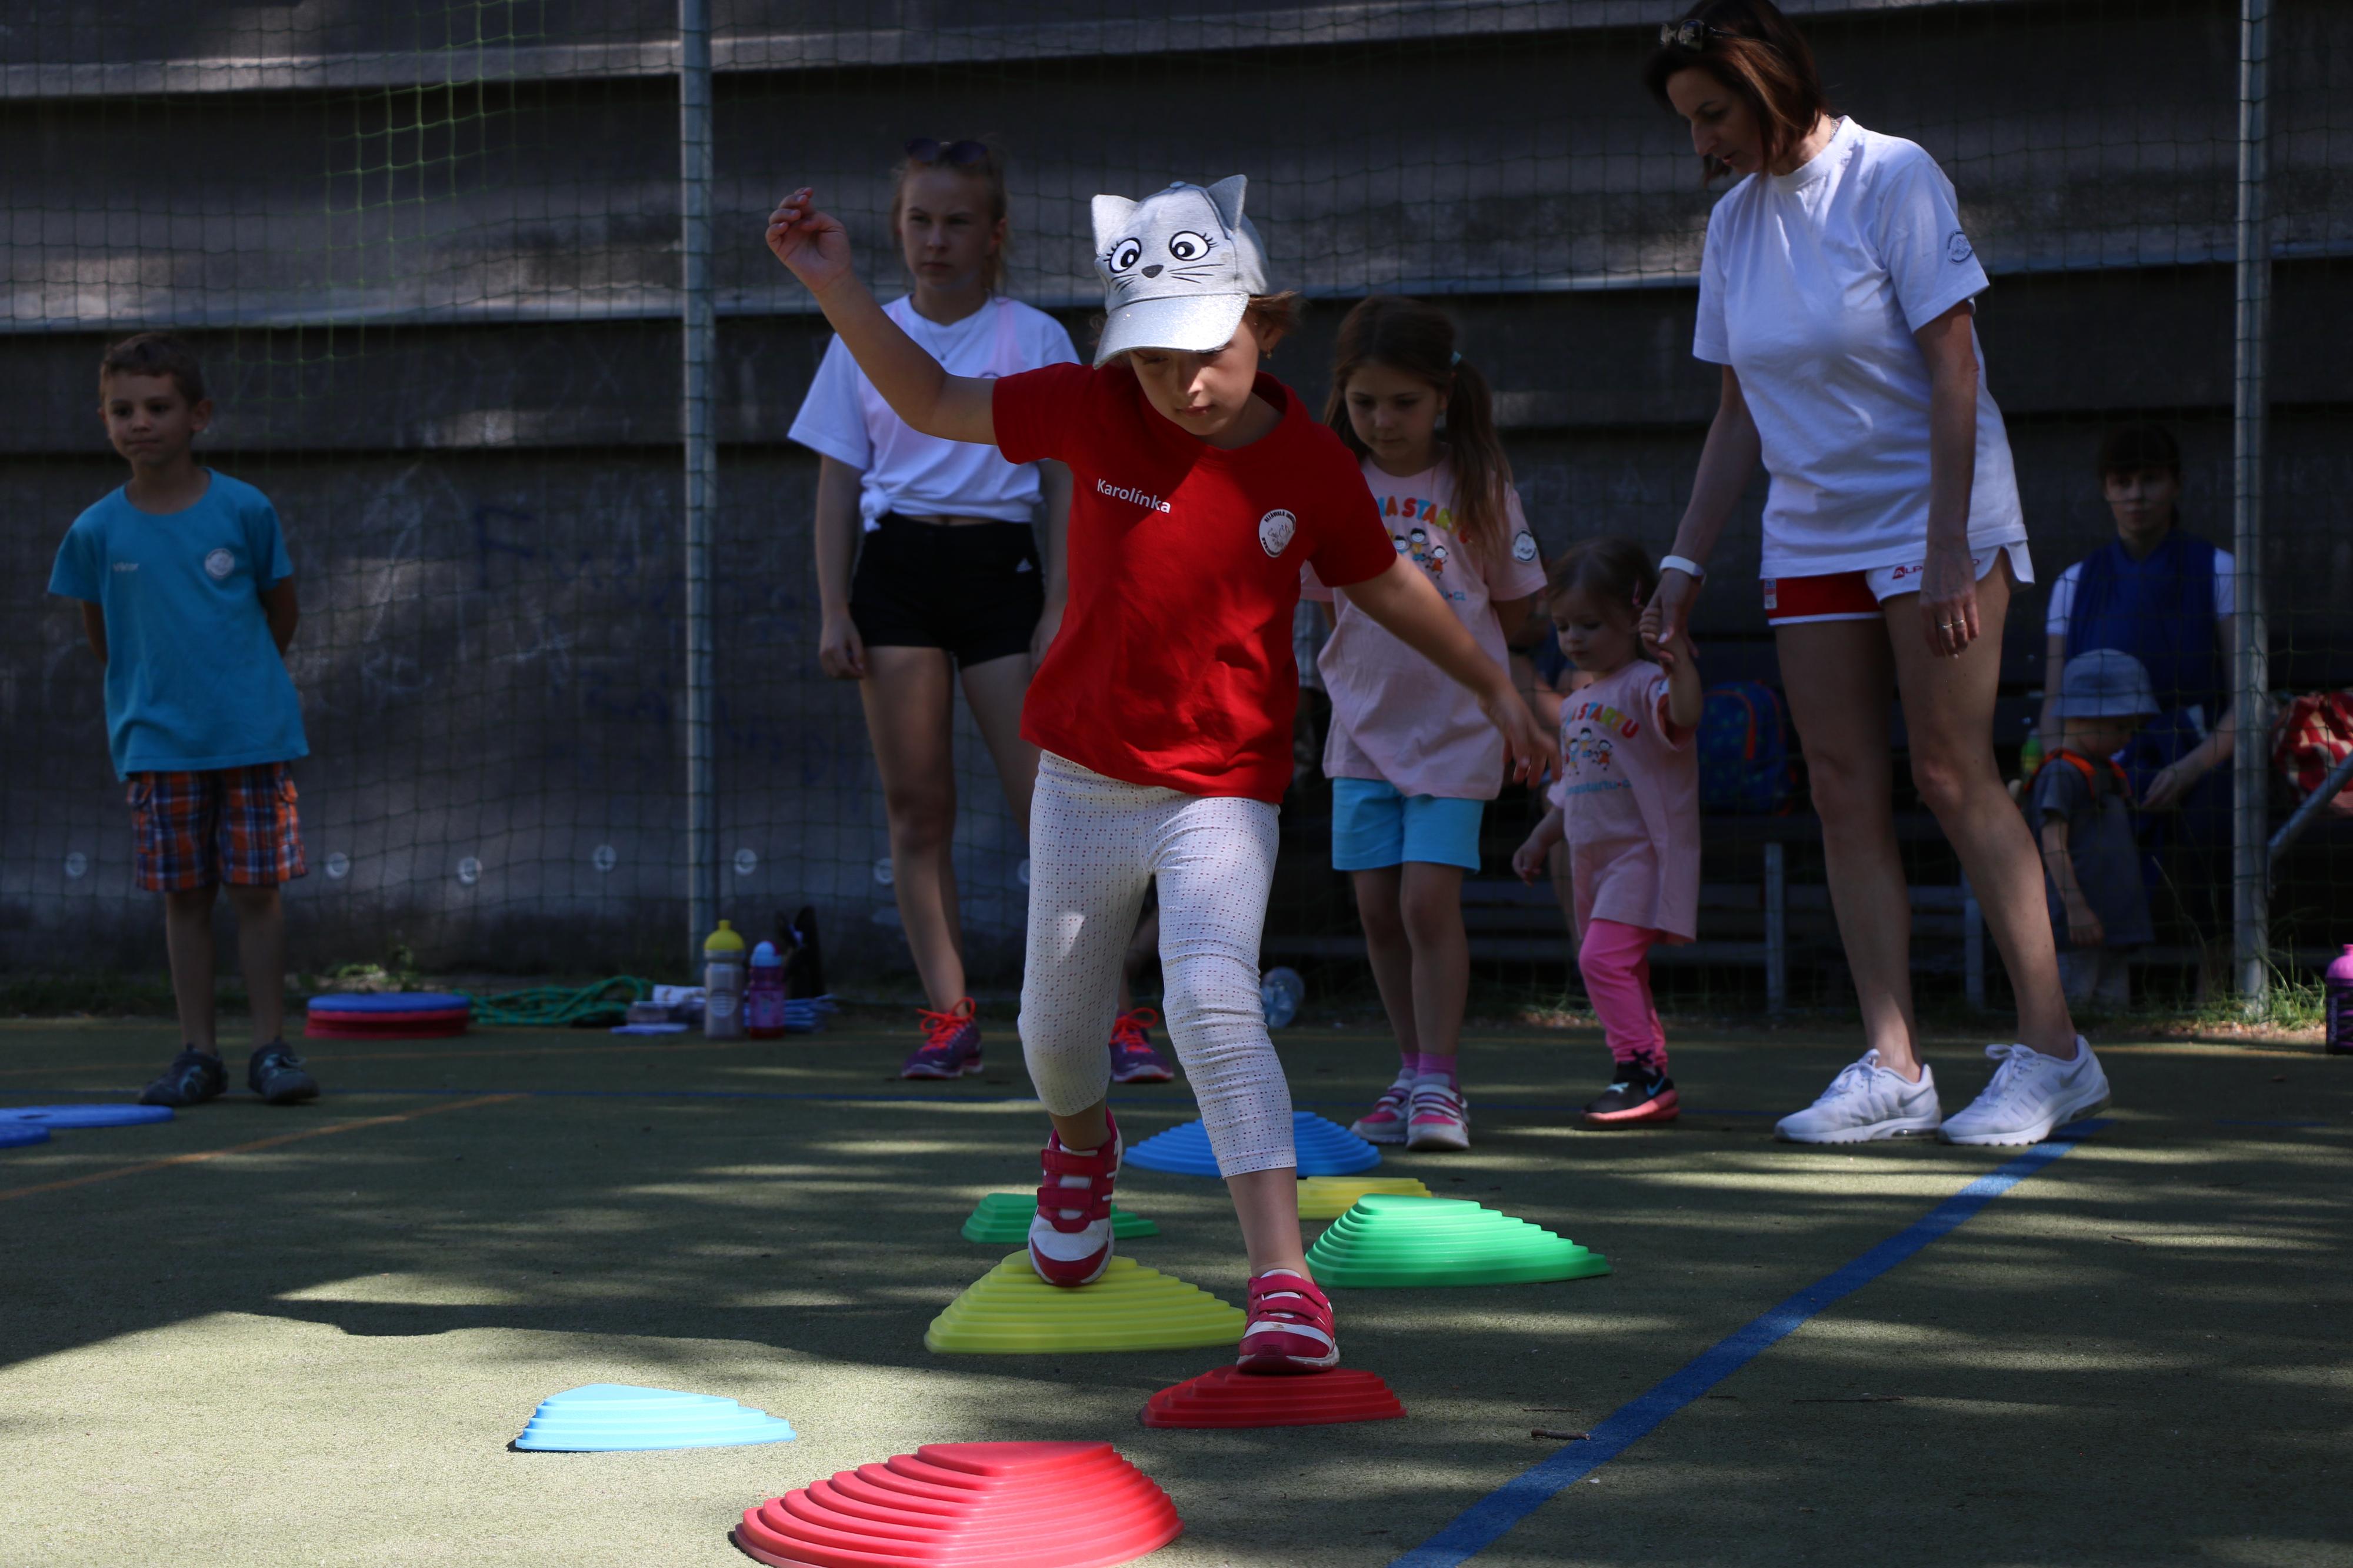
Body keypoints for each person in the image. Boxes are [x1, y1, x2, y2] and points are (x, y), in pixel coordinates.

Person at [766, 172, 1552, 1370]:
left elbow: (1386, 583)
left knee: (1208, 996)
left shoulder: (1310, 464)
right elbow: (926, 397)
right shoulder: (1090, 409)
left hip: (1222, 787)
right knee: (1054, 1035)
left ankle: (1283, 1281)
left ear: (1263, 328)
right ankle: (1083, 1147)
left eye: (1205, 354)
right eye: (1150, 360)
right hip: (1084, 776)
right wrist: (832, 282)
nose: (1181, 383)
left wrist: (1492, 682)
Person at [1641, 1, 2110, 1146]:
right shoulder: (1733, 226)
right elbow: (1737, 413)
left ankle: (2055, 1051)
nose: (1701, 142)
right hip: (1810, 532)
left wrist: (1949, 543)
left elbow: (1955, 366)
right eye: (1688, 121)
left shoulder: (1892, 175)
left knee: (1951, 775)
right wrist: (1682, 562)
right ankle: (1894, 1068)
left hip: (1932, 517)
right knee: (1841, 788)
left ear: (1767, 82)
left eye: (1713, 113)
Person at [787, 137, 1172, 1085]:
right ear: (896, 228)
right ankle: (948, 1019)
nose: (936, 239)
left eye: (957, 221)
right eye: (919, 220)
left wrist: (1063, 599)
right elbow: (838, 482)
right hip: (897, 577)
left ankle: (1113, 1018)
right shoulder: (862, 335)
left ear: (995, 234)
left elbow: (1071, 479)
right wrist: (834, 606)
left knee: (1056, 809)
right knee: (918, 808)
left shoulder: (1034, 338)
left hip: (1003, 575)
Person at [46, 333, 320, 1110]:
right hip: (158, 746)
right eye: (123, 410)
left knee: (257, 892)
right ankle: (199, 1054)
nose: (141, 422)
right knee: (186, 896)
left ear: (197, 415)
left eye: (158, 407)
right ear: (104, 420)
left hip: (251, 737)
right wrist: (162, 701)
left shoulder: (245, 509)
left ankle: (270, 1048)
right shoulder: (95, 530)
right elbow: (106, 639)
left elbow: (281, 613)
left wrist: (236, 689)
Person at [1307, 297, 1547, 1154]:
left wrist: (1484, 683)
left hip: (1455, 731)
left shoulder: (1479, 485)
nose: (1383, 421)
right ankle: (1408, 1072)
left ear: (1443, 396)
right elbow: (1323, 603)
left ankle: (1441, 1081)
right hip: (1361, 731)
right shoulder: (1333, 486)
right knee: (1377, 909)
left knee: (1425, 902)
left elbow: (1515, 609)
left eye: (1404, 403)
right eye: (1365, 402)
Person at [1513, 540, 1701, 1125]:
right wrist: (1542, 837)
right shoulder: (1577, 703)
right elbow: (1573, 787)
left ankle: (1639, 1071)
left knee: (1600, 959)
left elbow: (1687, 714)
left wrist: (1676, 656)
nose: (1572, 638)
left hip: (1642, 856)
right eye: (1563, 626)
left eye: (1589, 624)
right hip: (1593, 861)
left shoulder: (1648, 684)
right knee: (1619, 967)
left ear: (1632, 615)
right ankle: (1649, 1076)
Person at [2041, 423, 2238, 920]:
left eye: (2150, 479)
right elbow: (2053, 706)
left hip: (2198, 755)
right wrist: (2066, 772)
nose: (2136, 495)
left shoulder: (2221, 570)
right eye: (2122, 481)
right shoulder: (2072, 584)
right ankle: (2099, 958)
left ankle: (2214, 961)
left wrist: (2188, 770)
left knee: (2214, 821)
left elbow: (2250, 702)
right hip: (2100, 764)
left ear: (2176, 483)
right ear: (2105, 488)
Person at [2032, 650, 2159, 1008]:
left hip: (2113, 924)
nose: (2127, 738)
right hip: (2077, 925)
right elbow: (2053, 842)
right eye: (2119, 727)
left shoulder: (2106, 770)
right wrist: (2075, 906)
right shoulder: (2062, 772)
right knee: (2072, 1006)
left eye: (2132, 728)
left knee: (2113, 1012)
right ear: (2081, 716)